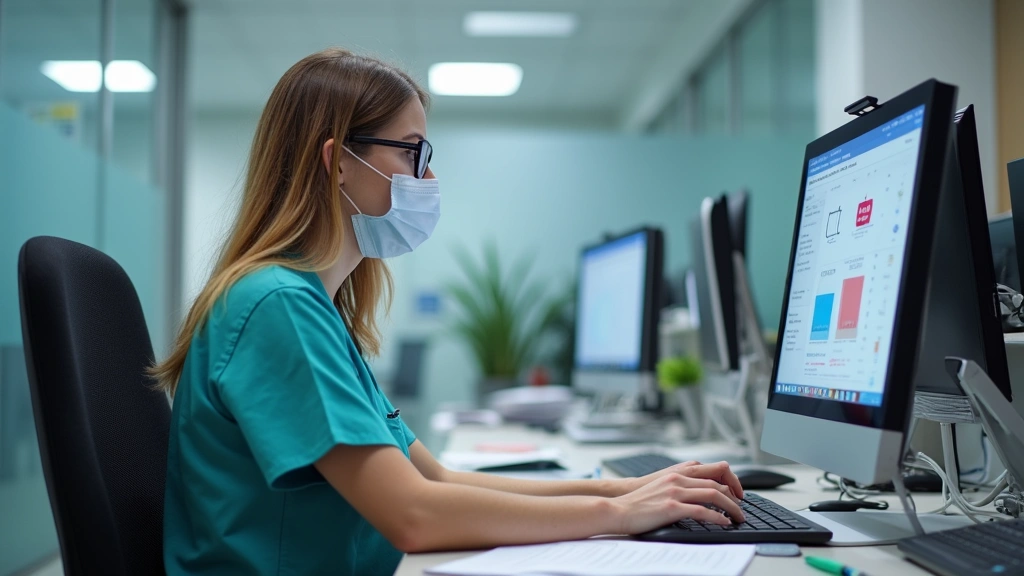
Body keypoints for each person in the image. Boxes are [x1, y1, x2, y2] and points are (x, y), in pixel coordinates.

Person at [153, 48, 746, 576]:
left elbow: (434, 479)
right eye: (413, 152)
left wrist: (625, 489)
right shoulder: (276, 306)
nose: (429, 176)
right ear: (337, 163)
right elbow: (414, 515)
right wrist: (615, 515)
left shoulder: (310, 306)